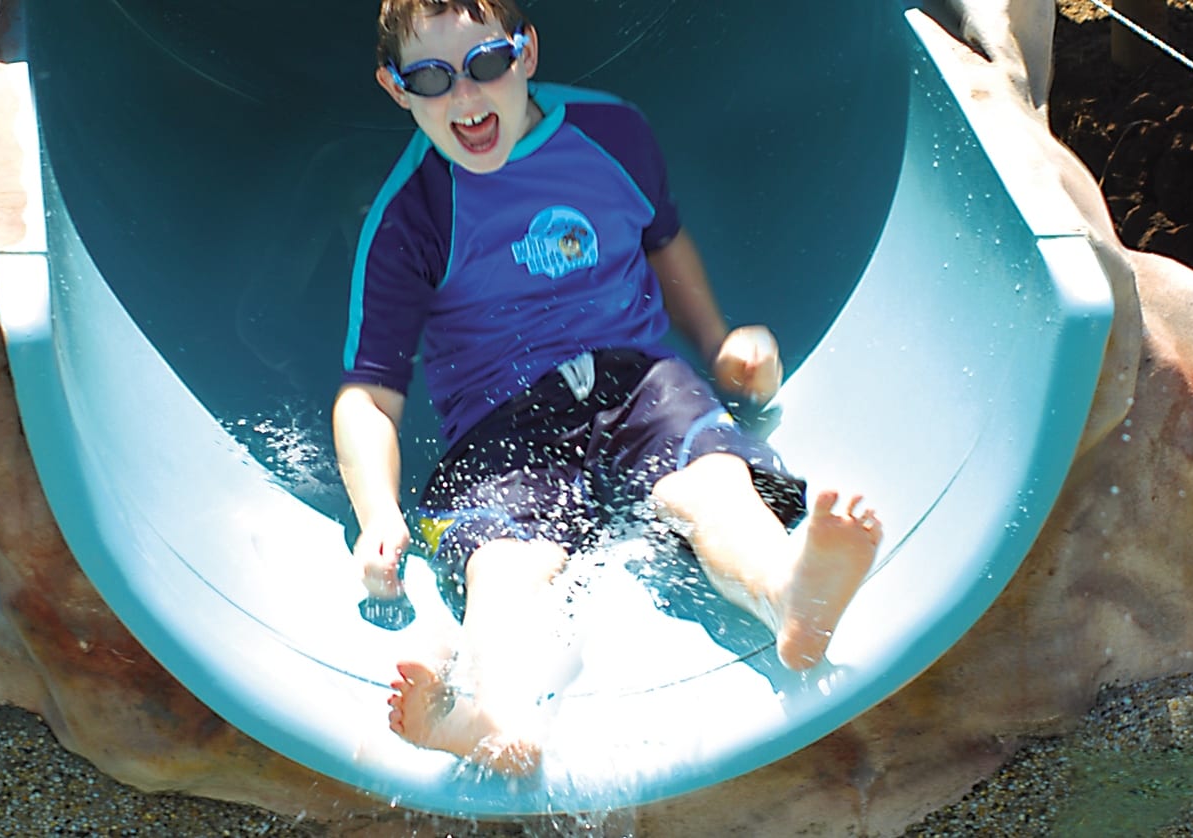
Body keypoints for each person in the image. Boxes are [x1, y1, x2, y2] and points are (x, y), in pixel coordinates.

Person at [333, 0, 883, 775]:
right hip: (504, 419)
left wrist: (720, 344)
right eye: (432, 78)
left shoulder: (610, 134)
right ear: (396, 89)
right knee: (508, 557)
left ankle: (787, 594)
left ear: (525, 54)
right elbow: (369, 395)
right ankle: (494, 711)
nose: (466, 98)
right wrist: (376, 513)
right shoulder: (411, 216)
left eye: (486, 63)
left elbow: (663, 240)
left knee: (713, 487)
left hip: (638, 381)